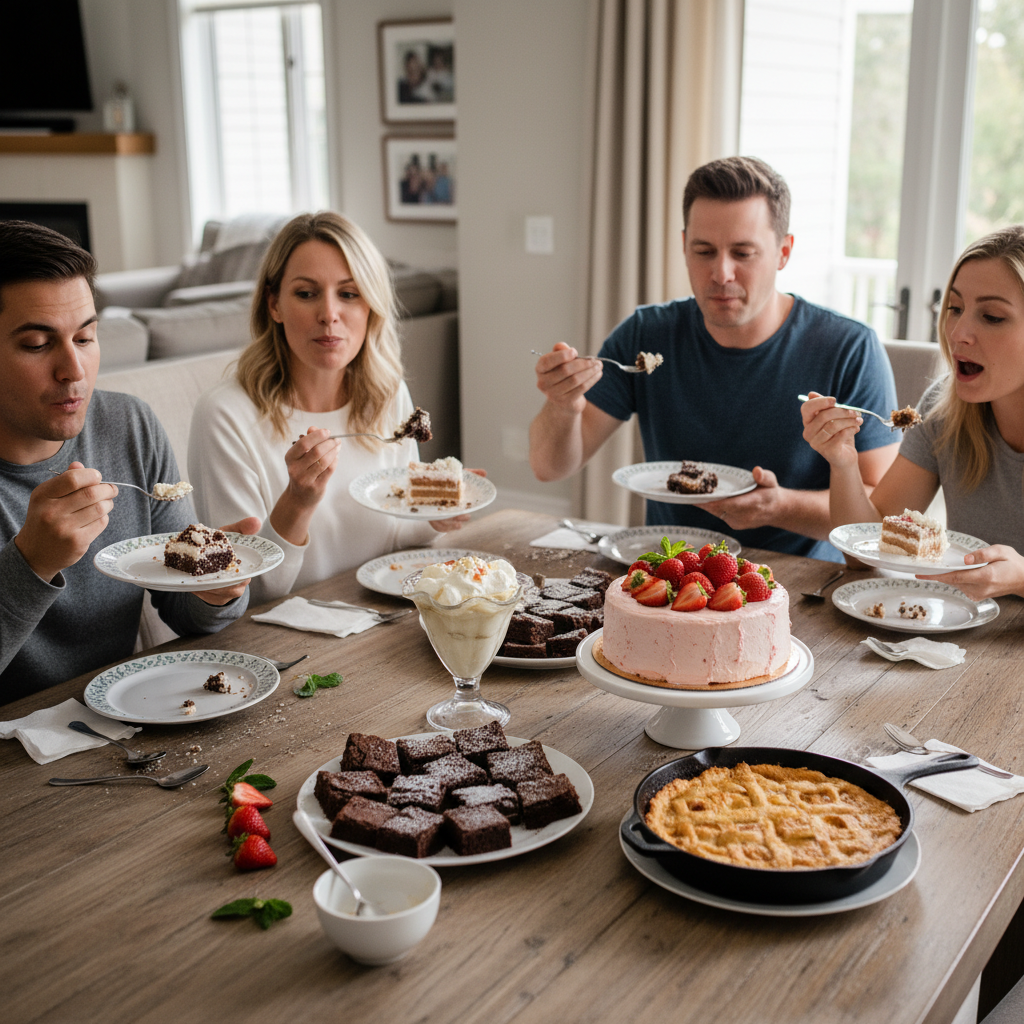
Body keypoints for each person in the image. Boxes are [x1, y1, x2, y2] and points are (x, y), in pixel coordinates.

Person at [529, 156, 900, 561]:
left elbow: (877, 516)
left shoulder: (848, 348)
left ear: (783, 252)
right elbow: (550, 467)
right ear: (684, 246)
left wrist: (780, 508)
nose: (721, 273)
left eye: (743, 253)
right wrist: (563, 407)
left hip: (797, 581)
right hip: (667, 571)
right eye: (704, 251)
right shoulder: (646, 334)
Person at [0, 221, 253, 705]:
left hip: (126, 718)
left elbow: (186, 616)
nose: (73, 370)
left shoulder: (129, 426)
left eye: (86, 337)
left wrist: (215, 590)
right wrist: (32, 562)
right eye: (37, 344)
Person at [188, 211, 472, 605]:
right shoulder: (225, 416)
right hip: (283, 635)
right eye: (306, 294)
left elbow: (394, 537)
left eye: (349, 293)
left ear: (370, 305)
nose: (329, 314)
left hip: (379, 616)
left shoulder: (388, 396)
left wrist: (432, 519)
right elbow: (245, 594)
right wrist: (298, 502)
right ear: (274, 304)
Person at [801, 225, 1024, 600]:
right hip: (966, 640)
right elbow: (868, 547)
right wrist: (843, 463)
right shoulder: (944, 408)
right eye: (955, 308)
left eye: (992, 317)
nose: (958, 333)